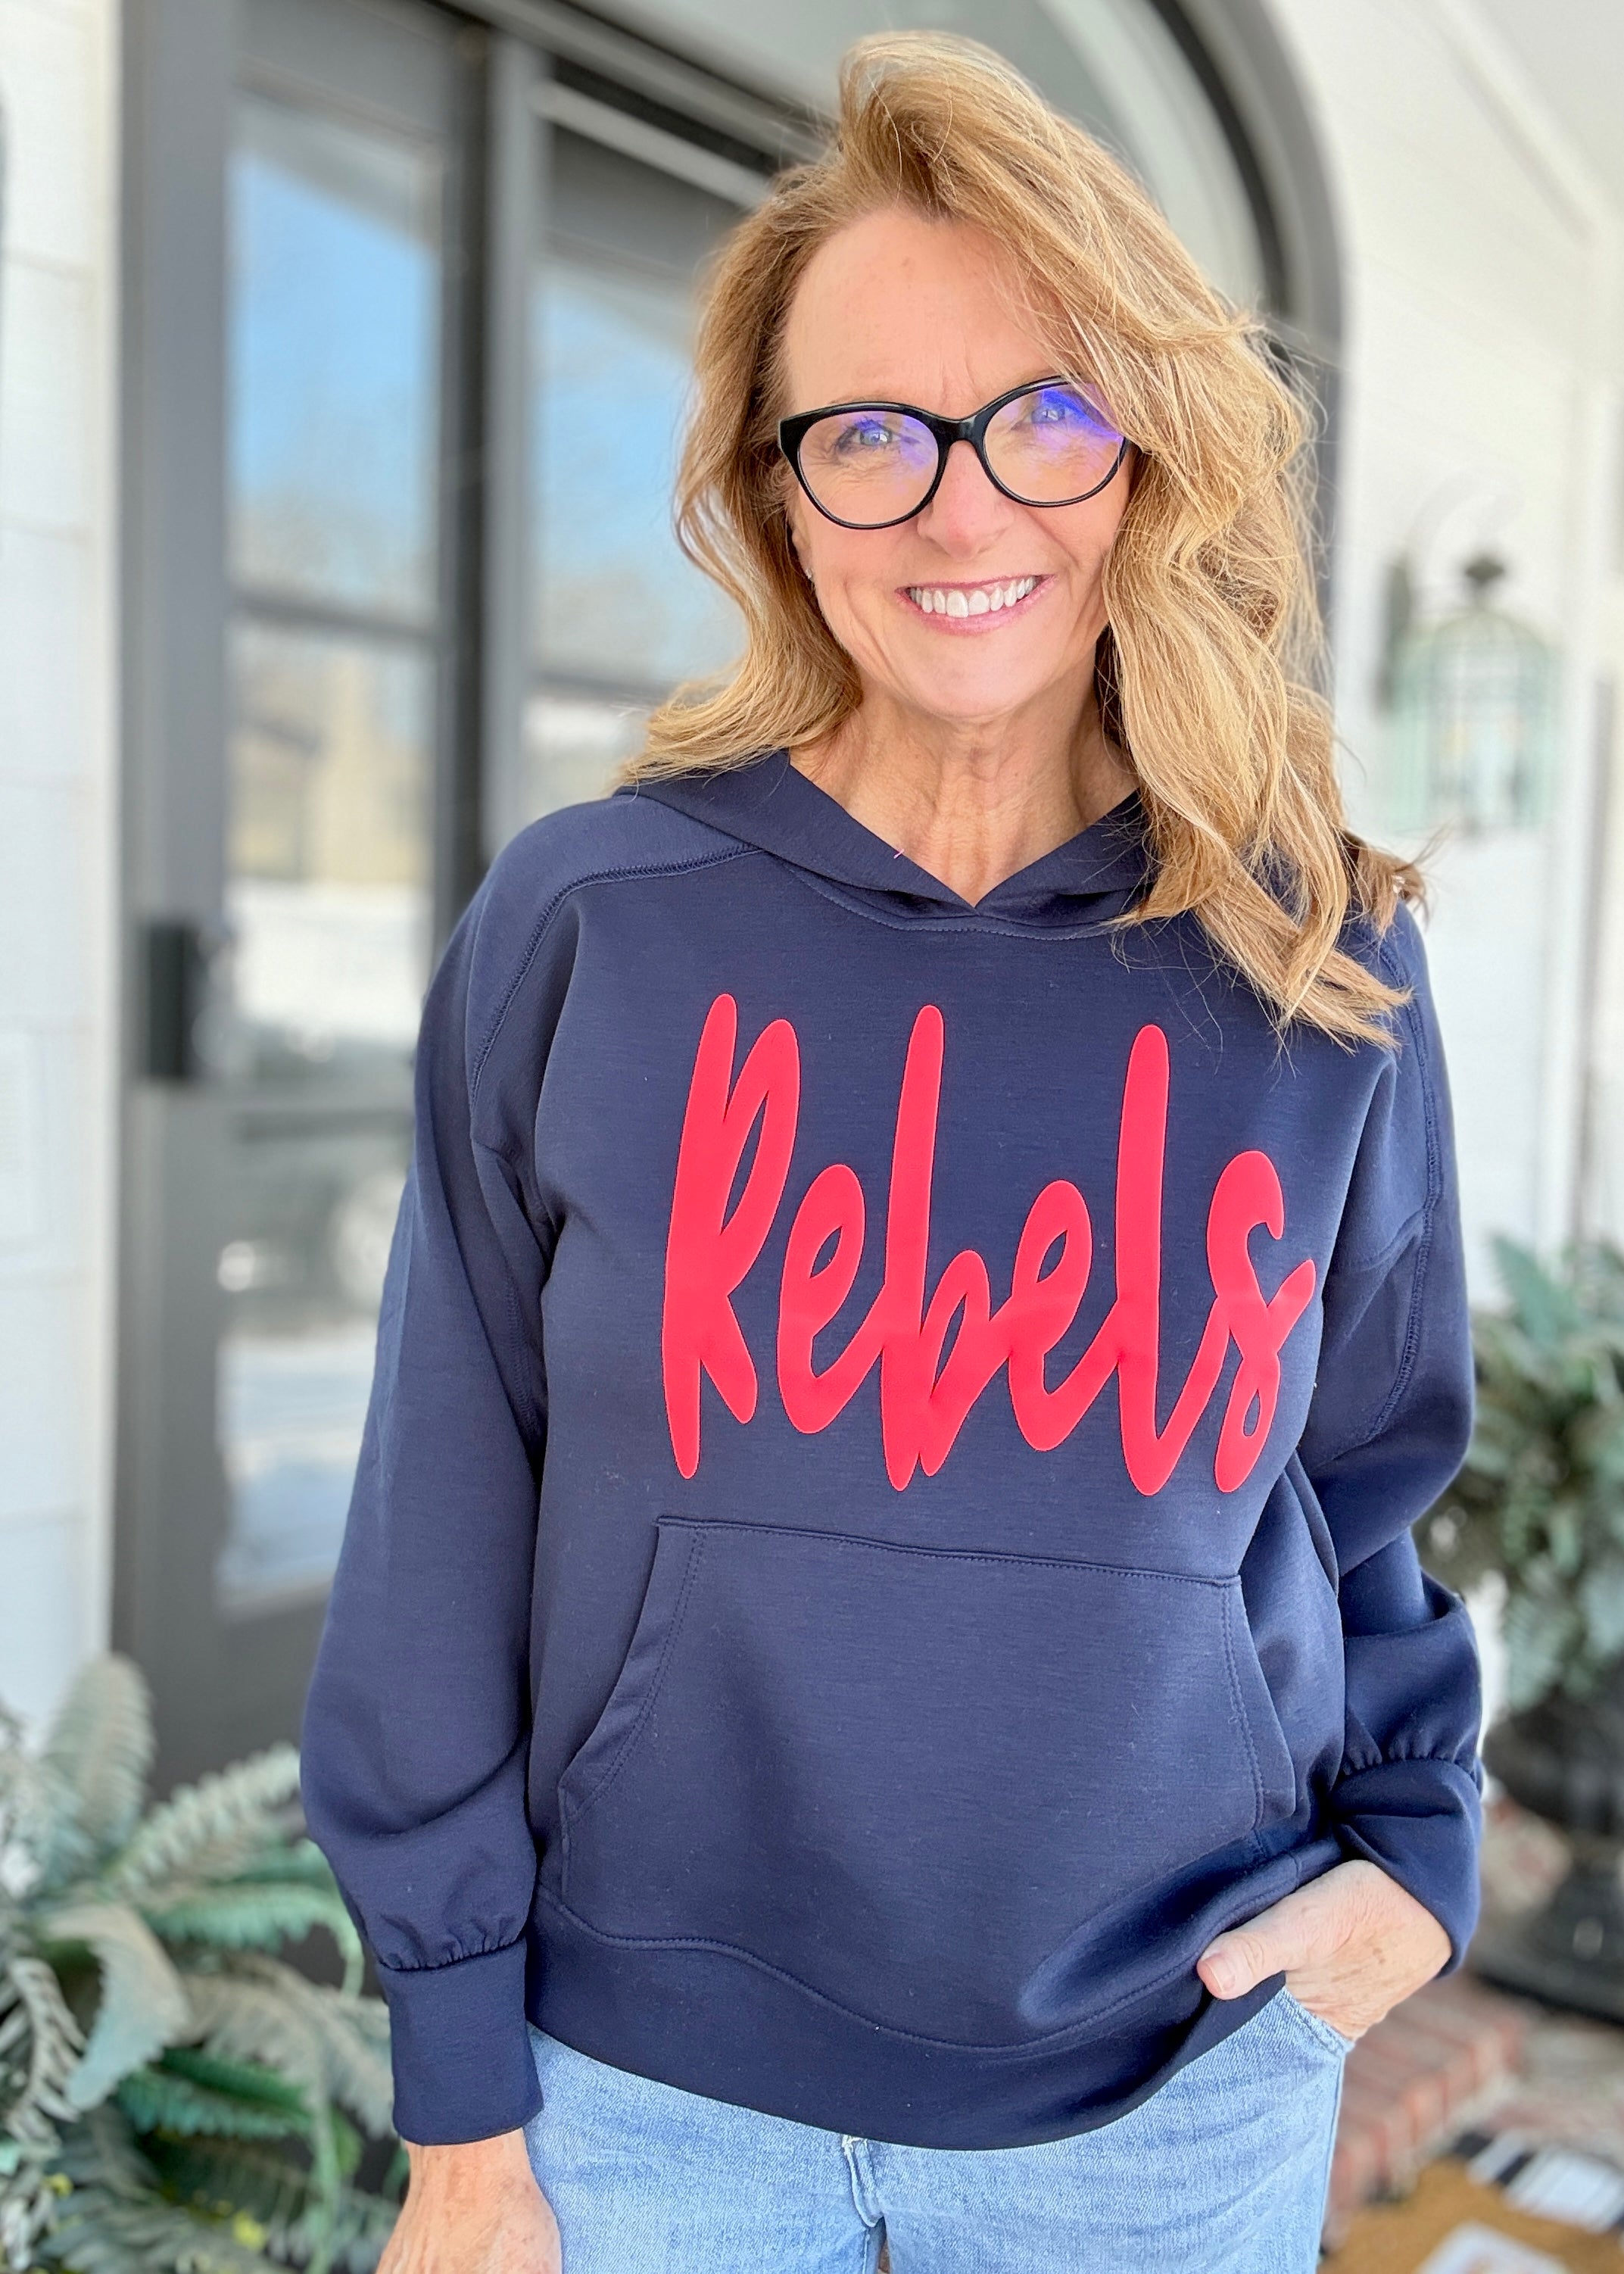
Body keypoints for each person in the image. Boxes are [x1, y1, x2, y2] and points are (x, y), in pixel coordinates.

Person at [301, 32, 1482, 2273]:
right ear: (776, 499)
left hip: (1165, 2098)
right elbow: (440, 1509)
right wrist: (460, 2097)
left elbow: (1364, 1487)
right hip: (641, 2111)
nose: (961, 508)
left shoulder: (1316, 965)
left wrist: (1410, 1867)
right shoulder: (596, 922)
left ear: (1148, 456)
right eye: (869, 435)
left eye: (1045, 417)